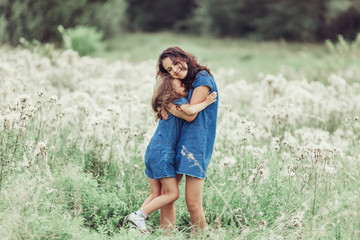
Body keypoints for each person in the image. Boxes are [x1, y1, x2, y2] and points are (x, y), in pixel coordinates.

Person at [128, 75, 217, 233]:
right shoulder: (178, 102)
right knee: (172, 193)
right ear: (170, 91)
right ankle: (138, 216)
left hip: (153, 150)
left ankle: (134, 223)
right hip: (163, 152)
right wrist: (207, 102)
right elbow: (190, 112)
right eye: (180, 85)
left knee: (157, 193)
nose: (185, 86)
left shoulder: (166, 103)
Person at [156, 46, 219, 234]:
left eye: (176, 63)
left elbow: (190, 114)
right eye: (169, 69)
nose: (175, 70)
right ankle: (166, 236)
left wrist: (166, 103)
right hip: (175, 141)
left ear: (184, 57)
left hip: (196, 143)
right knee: (167, 195)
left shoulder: (202, 79)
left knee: (192, 201)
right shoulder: (181, 82)